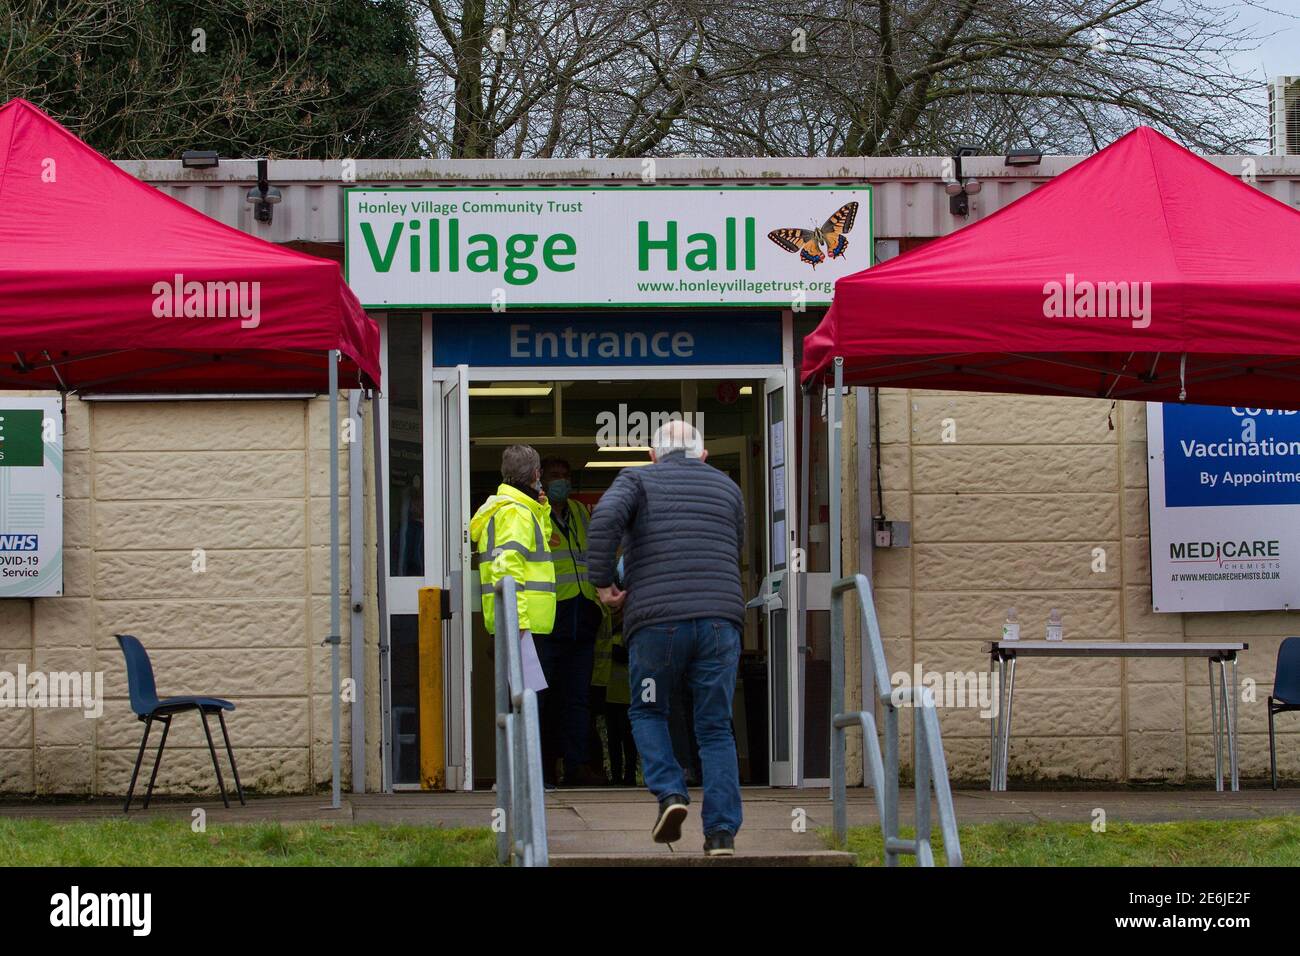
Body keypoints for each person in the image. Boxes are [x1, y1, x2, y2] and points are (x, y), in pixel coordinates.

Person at [586, 419, 745, 857]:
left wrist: (603, 583)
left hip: (658, 628)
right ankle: (720, 835)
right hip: (718, 625)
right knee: (715, 728)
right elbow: (737, 548)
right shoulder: (727, 488)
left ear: (653, 455)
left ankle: (672, 794)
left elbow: (603, 520)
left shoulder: (637, 478)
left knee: (648, 711)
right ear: (703, 455)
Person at [538, 457, 607, 787]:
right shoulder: (536, 515)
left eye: (565, 475)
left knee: (578, 699)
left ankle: (577, 765)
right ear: (542, 481)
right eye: (554, 475)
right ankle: (542, 768)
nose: (561, 481)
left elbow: (594, 556)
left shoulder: (580, 513)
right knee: (544, 698)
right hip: (550, 618)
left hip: (582, 615)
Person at [468, 443, 555, 692]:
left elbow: (540, 541)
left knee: (526, 705)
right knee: (527, 709)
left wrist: (542, 508)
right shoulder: (515, 513)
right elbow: (507, 568)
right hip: (523, 628)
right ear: (536, 474)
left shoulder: (519, 510)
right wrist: (516, 620)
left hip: (524, 625)